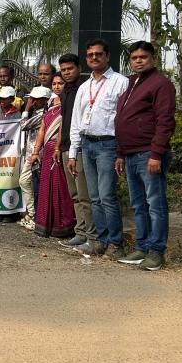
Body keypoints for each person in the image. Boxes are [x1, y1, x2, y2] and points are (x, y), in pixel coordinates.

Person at [115, 41, 176, 272]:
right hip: (130, 154)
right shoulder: (132, 84)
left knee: (155, 204)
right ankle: (142, 247)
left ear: (154, 58)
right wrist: (120, 153)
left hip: (148, 154)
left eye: (143, 57)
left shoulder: (161, 84)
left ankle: (156, 252)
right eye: (134, 58)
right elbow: (121, 120)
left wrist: (156, 154)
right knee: (138, 204)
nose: (138, 60)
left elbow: (165, 121)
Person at [68, 39, 130, 259]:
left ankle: (115, 243)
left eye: (98, 54)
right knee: (93, 197)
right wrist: (73, 153)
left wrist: (121, 151)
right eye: (90, 55)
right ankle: (100, 242)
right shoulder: (85, 88)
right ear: (86, 59)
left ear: (107, 56)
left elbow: (124, 120)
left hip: (108, 145)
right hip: (87, 143)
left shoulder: (120, 82)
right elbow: (76, 122)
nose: (94, 58)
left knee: (107, 196)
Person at [54, 54, 98, 252]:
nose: (66, 73)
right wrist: (58, 145)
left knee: (84, 194)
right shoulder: (65, 91)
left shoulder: (85, 88)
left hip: (79, 147)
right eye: (63, 70)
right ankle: (80, 232)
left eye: (69, 69)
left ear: (79, 67)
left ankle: (91, 236)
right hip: (65, 147)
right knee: (74, 194)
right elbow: (64, 120)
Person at [28, 73, 76, 238]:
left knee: (60, 187)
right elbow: (42, 128)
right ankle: (45, 224)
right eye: (54, 83)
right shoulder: (49, 104)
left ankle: (63, 225)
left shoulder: (67, 103)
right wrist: (36, 151)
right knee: (46, 187)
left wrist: (57, 147)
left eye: (60, 83)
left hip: (58, 149)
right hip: (46, 151)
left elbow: (63, 127)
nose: (57, 86)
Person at [16, 86, 50, 230]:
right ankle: (32, 213)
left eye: (35, 99)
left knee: (31, 184)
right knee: (25, 182)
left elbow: (23, 125)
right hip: (31, 154)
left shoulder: (43, 114)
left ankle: (34, 214)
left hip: (38, 155)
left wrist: (26, 108)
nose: (33, 102)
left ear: (45, 100)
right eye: (31, 99)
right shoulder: (36, 112)